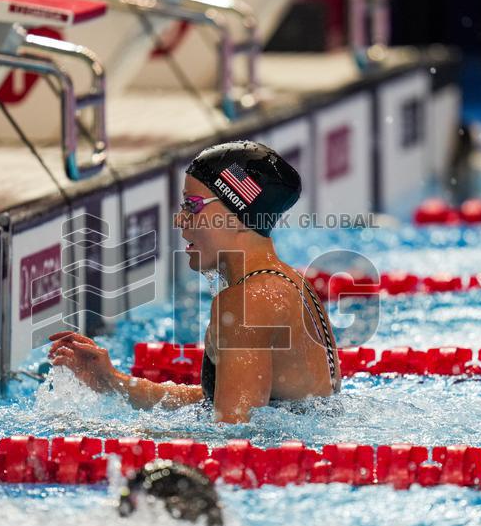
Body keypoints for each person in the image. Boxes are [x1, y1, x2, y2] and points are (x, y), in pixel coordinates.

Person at [48, 141, 340, 424]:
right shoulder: (287, 281)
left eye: (192, 205)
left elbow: (232, 437)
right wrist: (113, 382)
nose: (180, 219)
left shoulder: (250, 300)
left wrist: (107, 435)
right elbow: (219, 405)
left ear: (236, 217)